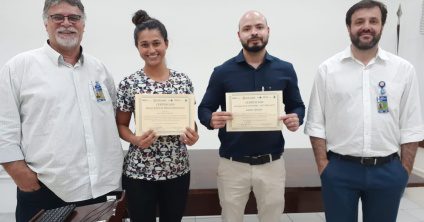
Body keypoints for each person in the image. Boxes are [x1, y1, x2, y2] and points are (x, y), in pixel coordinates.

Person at [0, 0, 124, 221]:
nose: (66, 23)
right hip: (47, 191)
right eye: (58, 17)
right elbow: (3, 126)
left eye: (74, 18)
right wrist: (19, 173)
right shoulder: (19, 68)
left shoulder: (99, 69)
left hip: (103, 190)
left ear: (83, 25)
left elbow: (113, 120)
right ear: (46, 23)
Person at [304, 1, 424, 222]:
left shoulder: (403, 70)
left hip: (387, 171)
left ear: (382, 26)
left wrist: (403, 171)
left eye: (373, 21)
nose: (366, 26)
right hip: (339, 171)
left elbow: (411, 126)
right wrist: (324, 167)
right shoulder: (328, 70)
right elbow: (316, 123)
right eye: (359, 22)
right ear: (349, 27)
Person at [198, 10, 305, 222]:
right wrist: (211, 119)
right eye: (247, 29)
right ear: (239, 35)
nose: (253, 32)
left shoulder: (285, 69)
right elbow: (204, 109)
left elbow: (297, 105)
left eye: (259, 27)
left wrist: (296, 118)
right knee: (231, 218)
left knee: (272, 218)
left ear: (268, 31)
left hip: (272, 164)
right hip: (232, 165)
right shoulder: (222, 72)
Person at [116, 9, 199, 222]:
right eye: (144, 45)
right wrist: (134, 139)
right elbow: (121, 125)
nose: (151, 50)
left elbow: (191, 123)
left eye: (156, 43)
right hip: (139, 173)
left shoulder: (183, 81)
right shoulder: (129, 83)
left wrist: (194, 135)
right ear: (137, 48)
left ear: (166, 44)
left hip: (177, 170)